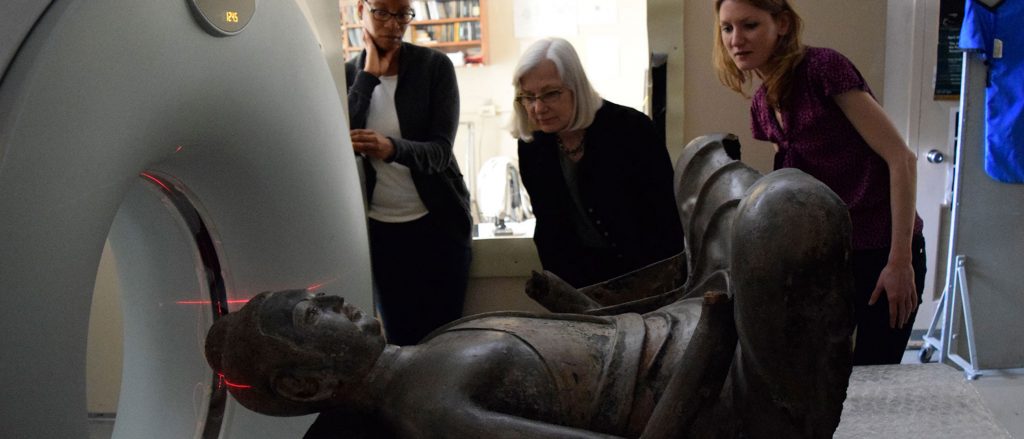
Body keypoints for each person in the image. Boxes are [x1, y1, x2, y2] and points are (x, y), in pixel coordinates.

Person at [204, 162, 857, 438]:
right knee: (788, 211)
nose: (336, 299)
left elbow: (589, 350)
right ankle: (796, 405)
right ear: (306, 378)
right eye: (312, 312)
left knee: (709, 167)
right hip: (718, 392)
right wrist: (711, 341)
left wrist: (574, 302)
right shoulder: (433, 409)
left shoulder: (430, 350)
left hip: (683, 322)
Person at [713, 0, 927, 365]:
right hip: (827, 256)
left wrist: (900, 262)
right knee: (823, 385)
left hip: (881, 251)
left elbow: (901, 158)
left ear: (781, 24)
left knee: (875, 380)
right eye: (727, 28)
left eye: (749, 25)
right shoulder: (763, 104)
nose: (736, 40)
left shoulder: (822, 69)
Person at [510, 37, 686, 290]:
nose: (538, 108)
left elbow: (665, 221)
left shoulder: (631, 129)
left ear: (577, 87)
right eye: (528, 97)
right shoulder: (533, 144)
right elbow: (549, 227)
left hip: (649, 274)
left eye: (551, 94)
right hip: (579, 280)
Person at [345, 0, 471, 345]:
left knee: (448, 342)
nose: (394, 24)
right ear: (361, 10)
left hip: (438, 226)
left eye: (403, 14)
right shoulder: (346, 74)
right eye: (382, 12)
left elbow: (440, 152)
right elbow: (341, 141)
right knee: (401, 345)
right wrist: (368, 76)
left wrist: (392, 148)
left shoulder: (434, 67)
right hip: (381, 233)